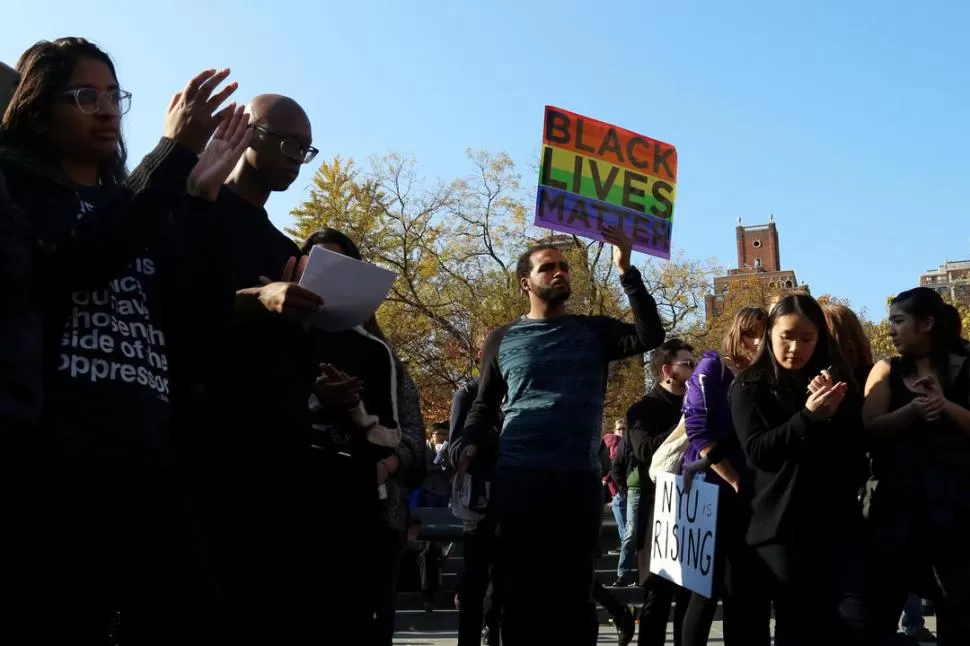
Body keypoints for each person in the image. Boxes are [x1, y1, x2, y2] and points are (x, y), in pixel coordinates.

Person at [0, 37, 242, 645]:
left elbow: (192, 319)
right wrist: (171, 157)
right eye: (85, 96)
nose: (106, 110)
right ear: (38, 106)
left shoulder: (135, 200)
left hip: (150, 454)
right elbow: (71, 265)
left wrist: (202, 203)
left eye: (113, 95)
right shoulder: (17, 185)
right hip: (57, 455)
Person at [457, 226, 666, 646]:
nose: (559, 273)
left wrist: (627, 271)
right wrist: (467, 442)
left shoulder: (594, 331)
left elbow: (651, 336)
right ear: (525, 282)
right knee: (521, 596)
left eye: (564, 267)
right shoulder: (503, 339)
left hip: (577, 481)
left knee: (573, 595)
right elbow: (484, 404)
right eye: (548, 267)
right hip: (518, 480)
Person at [184, 92, 331, 644]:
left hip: (276, 451)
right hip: (208, 448)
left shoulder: (284, 246)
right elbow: (181, 310)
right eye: (289, 143)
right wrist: (255, 300)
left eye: (306, 148)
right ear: (245, 135)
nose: (297, 156)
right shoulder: (194, 209)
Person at [300, 226, 426, 644]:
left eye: (342, 266)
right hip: (302, 509)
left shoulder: (381, 356)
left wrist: (386, 466)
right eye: (318, 264)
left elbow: (410, 438)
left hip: (374, 518)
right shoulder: (285, 343)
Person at [731, 294, 876, 645]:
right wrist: (809, 418)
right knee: (792, 622)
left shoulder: (835, 382)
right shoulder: (750, 385)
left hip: (834, 522)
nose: (795, 347)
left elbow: (856, 455)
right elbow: (759, 451)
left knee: (838, 622)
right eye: (787, 337)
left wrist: (834, 414)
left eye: (807, 339)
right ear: (771, 335)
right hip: (777, 525)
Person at [862, 287, 970, 645]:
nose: (890, 330)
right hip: (896, 508)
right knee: (879, 611)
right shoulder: (886, 369)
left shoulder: (966, 363)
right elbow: (869, 426)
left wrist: (944, 405)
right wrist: (909, 412)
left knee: (957, 610)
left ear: (927, 323)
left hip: (957, 509)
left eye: (898, 321)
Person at [679, 305, 771, 646]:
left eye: (763, 334)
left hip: (749, 493)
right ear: (737, 333)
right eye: (750, 333)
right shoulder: (712, 367)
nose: (757, 341)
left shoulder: (765, 374)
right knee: (704, 590)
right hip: (711, 488)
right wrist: (733, 480)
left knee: (741, 589)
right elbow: (698, 431)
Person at [625, 339, 696, 646]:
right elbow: (644, 451)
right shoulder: (642, 410)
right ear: (668, 370)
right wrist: (684, 427)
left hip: (694, 509)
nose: (694, 371)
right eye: (687, 364)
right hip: (659, 512)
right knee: (657, 596)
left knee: (689, 598)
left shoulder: (697, 404)